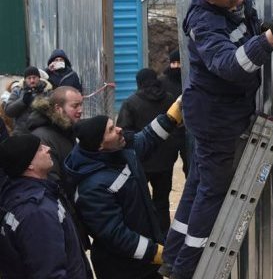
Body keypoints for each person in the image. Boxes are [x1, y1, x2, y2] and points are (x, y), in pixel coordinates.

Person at [160, 0, 273, 279]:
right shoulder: (203, 22)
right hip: (215, 118)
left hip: (221, 111)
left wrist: (269, 31)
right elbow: (230, 66)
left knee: (198, 183)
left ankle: (172, 255)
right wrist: (270, 39)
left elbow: (247, 31)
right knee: (213, 191)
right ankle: (186, 268)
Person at [64, 98, 183, 279]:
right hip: (123, 270)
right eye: (111, 130)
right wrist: (156, 253)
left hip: (145, 264)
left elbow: (146, 139)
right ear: (100, 145)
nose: (119, 129)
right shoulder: (91, 189)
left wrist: (172, 115)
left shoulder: (117, 151)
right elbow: (117, 236)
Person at [0, 134, 92, 278]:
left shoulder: (25, 195)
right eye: (39, 149)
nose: (48, 149)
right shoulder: (36, 212)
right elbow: (50, 273)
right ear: (28, 164)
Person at [117, 68, 179, 235]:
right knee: (162, 202)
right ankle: (164, 237)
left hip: (141, 162)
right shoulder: (170, 99)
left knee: (140, 203)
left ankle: (146, 237)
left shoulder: (130, 103)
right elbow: (178, 128)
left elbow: (124, 133)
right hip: (166, 161)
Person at [26, 86, 84, 184]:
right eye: (75, 106)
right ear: (58, 108)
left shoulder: (67, 129)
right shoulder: (42, 137)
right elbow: (51, 180)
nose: (80, 110)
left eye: (81, 105)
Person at [159, 49, 189, 177]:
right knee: (165, 167)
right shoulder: (162, 82)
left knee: (189, 165)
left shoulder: (188, 79)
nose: (176, 66)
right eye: (173, 63)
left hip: (187, 130)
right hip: (169, 130)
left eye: (179, 62)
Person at [4, 66, 53, 133]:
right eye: (29, 78)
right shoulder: (18, 90)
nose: (32, 81)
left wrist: (41, 104)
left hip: (41, 133)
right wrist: (23, 101)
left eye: (34, 78)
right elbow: (8, 111)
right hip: (21, 133)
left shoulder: (47, 91)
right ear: (25, 79)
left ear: (39, 78)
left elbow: (52, 113)